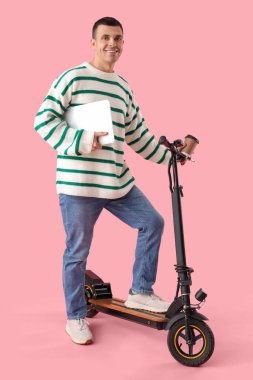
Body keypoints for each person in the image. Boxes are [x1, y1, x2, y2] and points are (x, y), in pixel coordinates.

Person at [34, 17, 174, 345]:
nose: (112, 43)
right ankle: (75, 316)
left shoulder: (124, 86)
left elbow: (139, 135)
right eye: (106, 38)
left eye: (118, 38)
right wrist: (82, 139)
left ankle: (141, 291)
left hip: (116, 182)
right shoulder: (73, 77)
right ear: (93, 42)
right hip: (79, 184)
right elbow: (43, 119)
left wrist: (172, 158)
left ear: (124, 44)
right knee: (77, 251)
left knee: (152, 222)